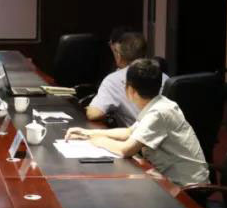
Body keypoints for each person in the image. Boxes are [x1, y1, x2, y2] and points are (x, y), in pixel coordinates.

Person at [67, 58, 209, 187]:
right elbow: (129, 132)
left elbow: (125, 150)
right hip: (173, 181)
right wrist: (89, 133)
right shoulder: (158, 104)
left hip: (188, 190)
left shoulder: (159, 112)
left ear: (130, 90)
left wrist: (98, 141)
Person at [86, 32, 168, 127]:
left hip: (138, 134)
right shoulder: (165, 77)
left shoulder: (113, 80)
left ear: (119, 56)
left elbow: (94, 114)